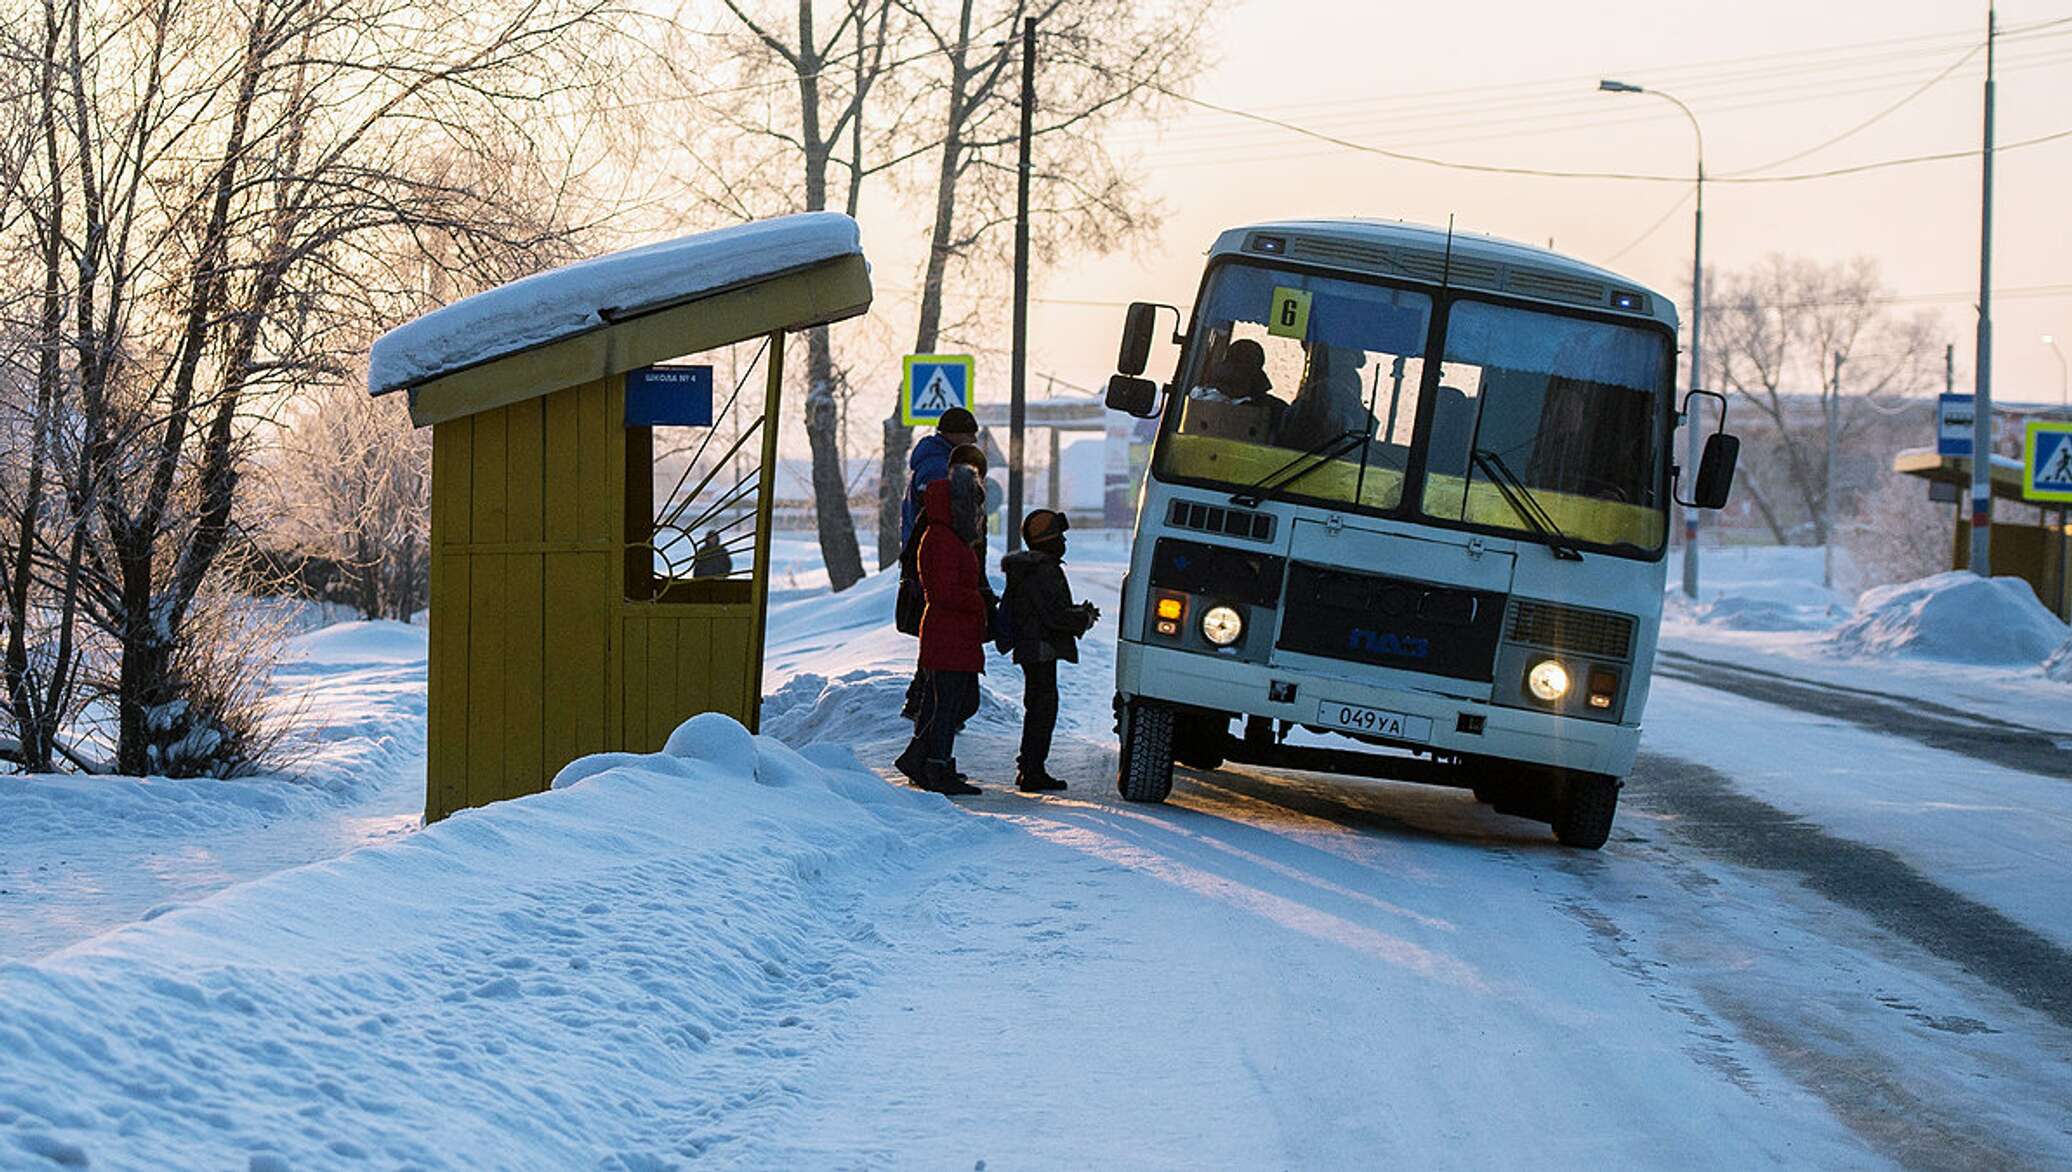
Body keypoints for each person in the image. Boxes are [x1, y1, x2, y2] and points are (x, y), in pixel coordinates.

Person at [893, 469, 988, 796]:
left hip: (954, 634)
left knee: (951, 703)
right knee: (947, 705)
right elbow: (944, 591)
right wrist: (977, 599)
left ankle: (928, 761)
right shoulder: (941, 538)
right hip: (948, 633)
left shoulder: (947, 535)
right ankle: (932, 763)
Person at [999, 510, 1098, 792]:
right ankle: (1032, 770)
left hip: (1032, 647)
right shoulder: (1043, 570)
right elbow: (1054, 615)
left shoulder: (1031, 568)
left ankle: (1031, 767)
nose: (1064, 542)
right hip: (1040, 647)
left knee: (1038, 708)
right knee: (1042, 710)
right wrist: (1083, 618)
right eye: (1060, 537)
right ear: (1049, 540)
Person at [901, 406, 979, 546]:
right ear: (952, 434)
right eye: (969, 434)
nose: (974, 440)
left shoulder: (936, 462)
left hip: (927, 548)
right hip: (934, 550)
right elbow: (941, 515)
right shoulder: (937, 469)